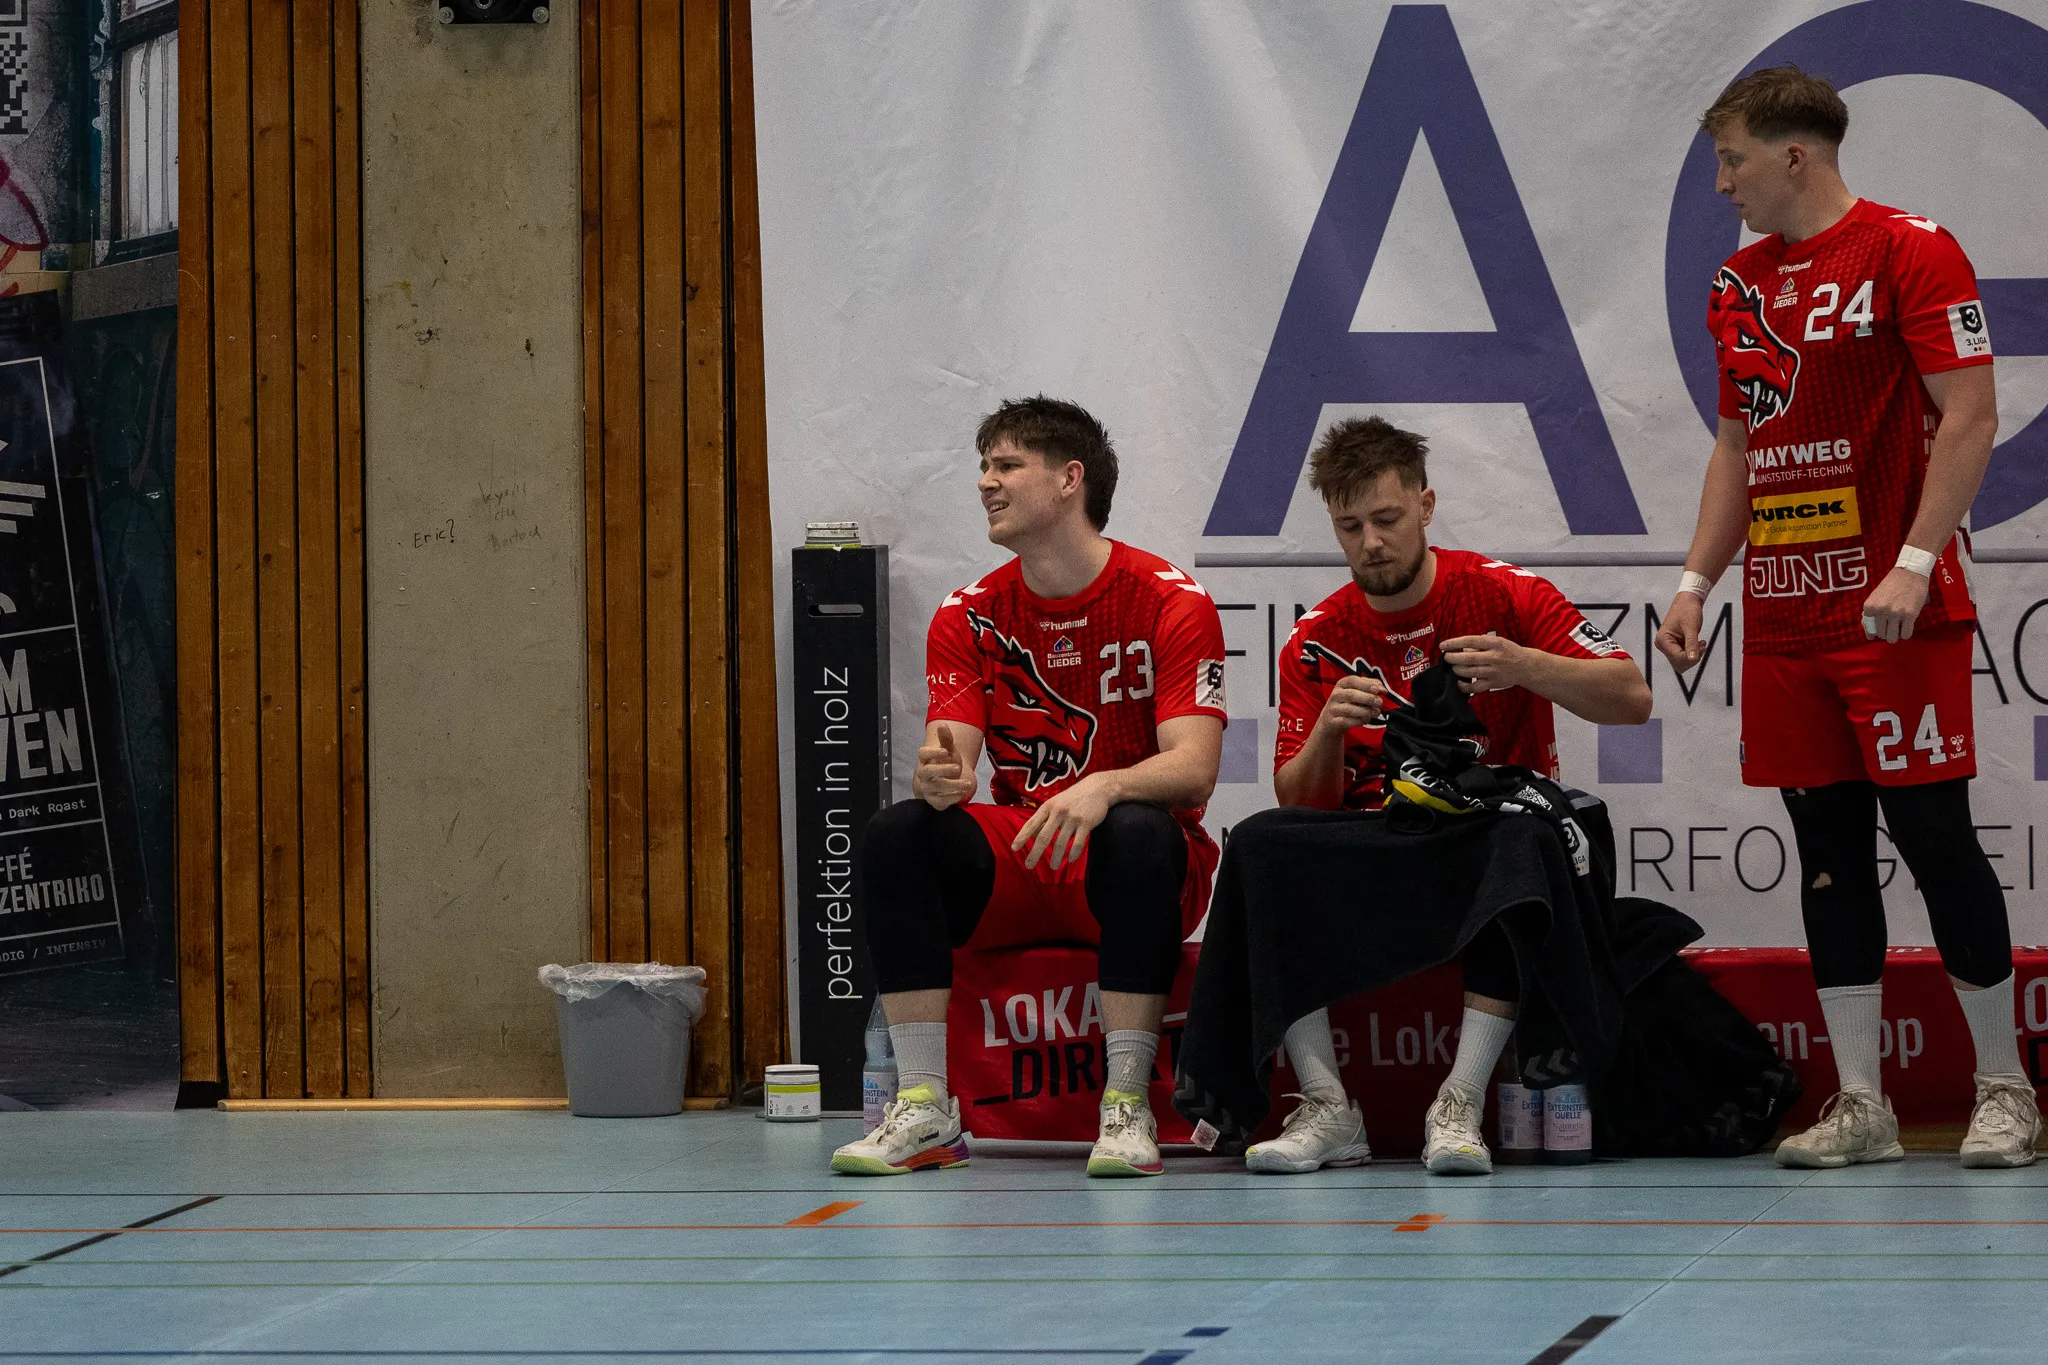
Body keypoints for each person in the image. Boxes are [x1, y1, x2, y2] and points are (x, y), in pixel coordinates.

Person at [1656, 67, 2040, 1169]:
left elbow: (1967, 413)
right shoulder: (1734, 285)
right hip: (1783, 618)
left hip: (1890, 613)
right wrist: (1692, 583)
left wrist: (1913, 562)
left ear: (1793, 156)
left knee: (1933, 839)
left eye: (1730, 158)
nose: (1720, 181)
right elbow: (1736, 446)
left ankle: (2003, 1090)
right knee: (1822, 854)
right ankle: (1862, 1105)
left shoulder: (1908, 248)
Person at [1241, 415, 1652, 1175]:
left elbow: (1632, 696)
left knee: (1512, 834)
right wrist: (1327, 731)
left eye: (1387, 519)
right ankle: (1328, 1104)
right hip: (1378, 852)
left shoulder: (1501, 593)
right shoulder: (1317, 634)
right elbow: (1302, 801)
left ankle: (1457, 1101)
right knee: (1264, 842)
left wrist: (1526, 665)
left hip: (1483, 849)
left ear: (1426, 507)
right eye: (1350, 526)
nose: (1370, 542)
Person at [831, 396, 1227, 1179]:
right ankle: (925, 1105)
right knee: (899, 831)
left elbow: (1195, 766)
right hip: (1028, 849)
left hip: (1138, 861)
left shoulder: (1169, 599)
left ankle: (1125, 1105)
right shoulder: (969, 612)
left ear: (1069, 479)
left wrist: (1105, 787)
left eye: (1006, 464)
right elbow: (954, 756)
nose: (986, 482)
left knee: (1140, 828)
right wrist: (938, 777)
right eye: (984, 465)